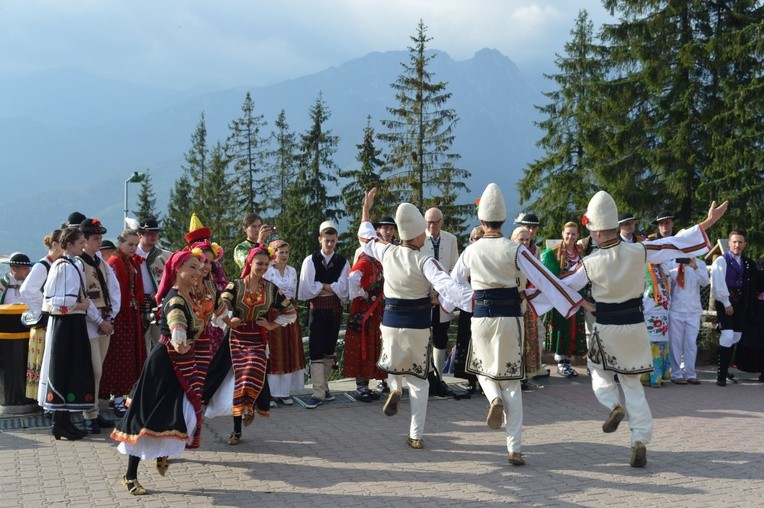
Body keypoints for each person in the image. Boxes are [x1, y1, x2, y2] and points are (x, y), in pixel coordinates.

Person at [559, 191, 727, 467]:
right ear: (614, 227)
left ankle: (612, 404)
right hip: (636, 326)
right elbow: (676, 243)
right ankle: (639, 440)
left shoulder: (589, 263)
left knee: (599, 372)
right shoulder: (641, 250)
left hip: (606, 326)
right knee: (633, 385)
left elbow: (561, 285)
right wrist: (707, 223)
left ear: (596, 232)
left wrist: (585, 305)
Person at [452, 184, 587, 466]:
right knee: (512, 382)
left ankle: (492, 399)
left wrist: (467, 300)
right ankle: (514, 447)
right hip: (511, 316)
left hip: (481, 317)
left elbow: (454, 283)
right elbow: (545, 279)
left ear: (481, 220)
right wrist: (573, 301)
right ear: (503, 220)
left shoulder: (471, 250)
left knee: (483, 370)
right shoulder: (516, 250)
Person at [359, 189, 473, 450]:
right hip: (417, 324)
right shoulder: (426, 261)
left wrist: (366, 209)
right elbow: (448, 285)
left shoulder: (386, 252)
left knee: (393, 363)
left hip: (389, 321)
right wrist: (474, 301)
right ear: (419, 234)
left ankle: (395, 387)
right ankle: (415, 434)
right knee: (420, 382)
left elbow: (364, 237)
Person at [111, 249, 206, 496]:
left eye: (199, 267)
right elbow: (176, 323)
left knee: (181, 413)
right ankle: (129, 475)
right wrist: (180, 339)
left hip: (181, 362)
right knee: (147, 416)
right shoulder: (176, 299)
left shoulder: (190, 295)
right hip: (166, 363)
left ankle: (163, 452)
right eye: (192, 267)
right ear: (177, 270)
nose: (198, 272)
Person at [204, 246, 297, 445]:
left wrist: (271, 325)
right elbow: (219, 307)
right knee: (239, 383)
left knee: (249, 376)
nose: (262, 267)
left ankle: (249, 408)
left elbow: (290, 311)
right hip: (236, 340)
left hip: (257, 339)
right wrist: (229, 322)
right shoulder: (236, 286)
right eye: (259, 263)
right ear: (250, 263)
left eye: (265, 264)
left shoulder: (271, 288)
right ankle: (237, 428)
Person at [38, 227, 96, 441]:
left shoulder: (74, 264)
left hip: (72, 324)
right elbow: (58, 303)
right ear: (70, 244)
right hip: (65, 325)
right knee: (62, 368)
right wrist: (81, 304)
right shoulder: (62, 267)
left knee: (71, 370)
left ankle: (64, 421)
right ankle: (59, 423)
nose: (83, 245)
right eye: (81, 242)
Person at [297, 220, 349, 409]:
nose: (329, 244)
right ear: (320, 239)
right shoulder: (310, 260)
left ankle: (324, 387)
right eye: (326, 240)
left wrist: (321, 287)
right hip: (317, 312)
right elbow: (306, 289)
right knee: (316, 349)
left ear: (336, 240)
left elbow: (344, 290)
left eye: (333, 241)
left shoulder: (342, 261)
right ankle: (317, 392)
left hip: (334, 312)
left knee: (329, 349)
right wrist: (330, 288)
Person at [77, 218, 119, 433]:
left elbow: (114, 290)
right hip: (89, 323)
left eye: (100, 237)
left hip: (104, 320)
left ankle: (93, 411)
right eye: (95, 238)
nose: (99, 241)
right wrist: (100, 321)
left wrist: (111, 317)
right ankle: (88, 414)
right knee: (93, 369)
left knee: (98, 371)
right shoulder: (78, 263)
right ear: (83, 240)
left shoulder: (101, 262)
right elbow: (82, 296)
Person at [101, 230, 147, 420]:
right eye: (130, 244)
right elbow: (114, 293)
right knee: (120, 358)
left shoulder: (130, 262)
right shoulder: (114, 263)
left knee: (131, 356)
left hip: (131, 315)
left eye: (135, 244)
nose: (133, 248)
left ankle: (121, 396)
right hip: (121, 317)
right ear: (120, 244)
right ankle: (117, 398)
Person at [711, 231, 759, 386]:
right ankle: (721, 376)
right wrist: (726, 303)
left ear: (744, 244)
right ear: (729, 243)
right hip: (725, 301)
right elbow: (717, 284)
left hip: (739, 304)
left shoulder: (746, 262)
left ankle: (725, 370)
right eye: (734, 242)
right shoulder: (721, 260)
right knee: (727, 334)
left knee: (736, 336)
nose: (737, 245)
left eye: (740, 242)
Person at [344, 229, 387, 402]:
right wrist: (364, 294)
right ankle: (361, 387)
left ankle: (366, 386)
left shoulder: (375, 262)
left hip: (373, 312)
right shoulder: (365, 261)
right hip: (364, 312)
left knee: (370, 347)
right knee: (361, 346)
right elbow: (353, 278)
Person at [20, 230, 63, 399]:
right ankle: (45, 399)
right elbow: (26, 290)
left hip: (53, 320)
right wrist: (45, 306)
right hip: (45, 323)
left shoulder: (57, 263)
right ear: (54, 245)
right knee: (45, 362)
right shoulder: (42, 265)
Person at [541, 222, 587, 378]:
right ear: (562, 234)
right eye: (568, 233)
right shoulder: (553, 253)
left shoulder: (580, 251)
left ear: (578, 235)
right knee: (563, 327)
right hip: (561, 297)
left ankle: (568, 360)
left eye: (573, 234)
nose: (570, 236)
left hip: (577, 295)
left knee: (575, 327)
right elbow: (550, 277)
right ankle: (561, 361)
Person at [421, 207, 460, 390]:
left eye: (435, 222)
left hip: (443, 297)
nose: (431, 225)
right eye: (428, 221)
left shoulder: (451, 239)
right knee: (422, 336)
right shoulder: (419, 238)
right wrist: (430, 292)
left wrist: (441, 292)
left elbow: (454, 268)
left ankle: (439, 376)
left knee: (440, 336)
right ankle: (424, 376)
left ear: (442, 222)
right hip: (423, 296)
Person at [264, 240, 305, 405]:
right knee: (275, 351)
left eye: (286, 252)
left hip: (289, 311)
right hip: (273, 313)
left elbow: (292, 292)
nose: (284, 255)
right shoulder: (268, 271)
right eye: (281, 252)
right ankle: (271, 393)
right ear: (273, 253)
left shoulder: (292, 271)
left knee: (289, 349)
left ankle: (284, 392)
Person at [185, 215, 229, 357]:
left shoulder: (214, 266)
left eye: (206, 240)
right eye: (198, 241)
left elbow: (224, 285)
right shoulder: (185, 268)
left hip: (212, 318)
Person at [509, 227, 543, 388]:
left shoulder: (531, 257)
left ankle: (524, 376)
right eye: (521, 239)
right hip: (509, 304)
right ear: (513, 240)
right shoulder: (508, 256)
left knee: (526, 341)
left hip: (526, 303)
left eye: (527, 240)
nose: (524, 243)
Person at [452, 226, 485, 393]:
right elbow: (457, 277)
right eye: (475, 238)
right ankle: (471, 381)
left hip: (486, 305)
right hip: (469, 303)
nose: (478, 241)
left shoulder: (489, 255)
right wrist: (471, 292)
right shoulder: (467, 254)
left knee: (484, 343)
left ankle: (485, 380)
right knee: (467, 342)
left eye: (481, 238)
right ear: (471, 240)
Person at [668, 256, 709, 384]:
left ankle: (690, 373)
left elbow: (705, 282)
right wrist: (678, 269)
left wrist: (695, 267)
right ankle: (676, 374)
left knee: (691, 343)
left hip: (693, 310)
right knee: (675, 343)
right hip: (676, 309)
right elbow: (668, 284)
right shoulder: (672, 263)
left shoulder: (700, 263)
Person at [136, 217, 172, 357]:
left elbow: (173, 280)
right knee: (140, 347)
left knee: (161, 343)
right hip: (138, 305)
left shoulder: (165, 256)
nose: (153, 236)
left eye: (156, 233)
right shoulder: (131, 255)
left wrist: (159, 292)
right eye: (149, 233)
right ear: (140, 234)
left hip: (159, 305)